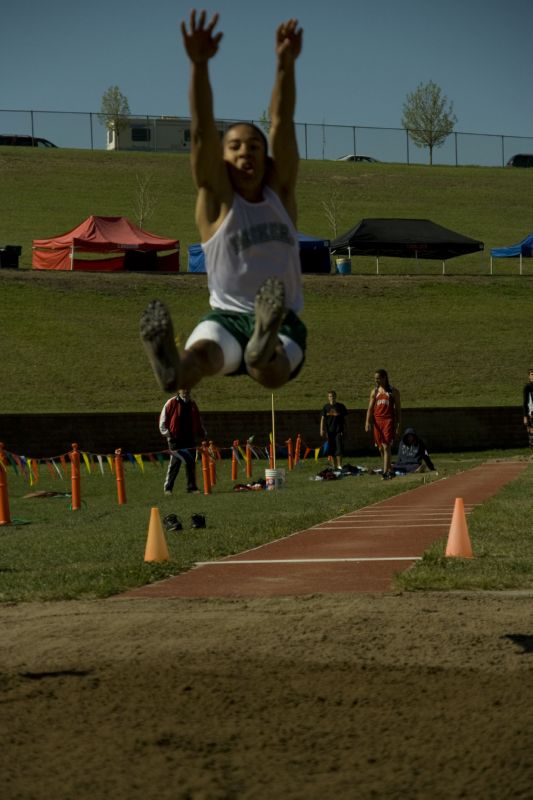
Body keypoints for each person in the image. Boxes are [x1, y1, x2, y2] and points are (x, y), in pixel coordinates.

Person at [140, 10, 306, 393]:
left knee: (270, 370)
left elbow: (283, 121)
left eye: (254, 146)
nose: (245, 152)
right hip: (228, 316)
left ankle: (260, 349)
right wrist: (198, 65)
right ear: (222, 158)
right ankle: (169, 367)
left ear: (267, 160)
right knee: (200, 359)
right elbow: (200, 131)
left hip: (279, 317)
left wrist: (285, 65)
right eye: (234, 147)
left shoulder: (280, 194)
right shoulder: (215, 205)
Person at [159, 388, 206, 495]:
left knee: (191, 463)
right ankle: (168, 488)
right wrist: (167, 434)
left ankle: (192, 487)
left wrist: (202, 433)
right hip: (176, 438)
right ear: (178, 391)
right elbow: (163, 418)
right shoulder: (171, 402)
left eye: (187, 389)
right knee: (175, 463)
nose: (185, 391)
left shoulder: (192, 404)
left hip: (189, 438)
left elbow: (198, 420)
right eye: (183, 389)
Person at [365, 368, 401, 480]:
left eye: (378, 378)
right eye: (375, 379)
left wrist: (398, 424)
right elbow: (370, 409)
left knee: (386, 446)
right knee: (380, 448)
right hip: (377, 422)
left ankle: (385, 472)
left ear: (384, 378)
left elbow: (398, 409)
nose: (376, 380)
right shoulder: (374, 392)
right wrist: (367, 422)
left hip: (388, 420)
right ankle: (389, 468)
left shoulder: (393, 391)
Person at [320, 390, 348, 469]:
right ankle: (334, 466)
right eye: (330, 396)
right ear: (328, 398)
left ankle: (339, 465)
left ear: (336, 397)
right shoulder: (326, 407)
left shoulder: (340, 406)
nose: (332, 398)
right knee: (331, 449)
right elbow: (322, 419)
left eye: (333, 396)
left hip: (339, 431)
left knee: (339, 449)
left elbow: (345, 419)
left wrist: (346, 429)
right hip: (330, 432)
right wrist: (321, 430)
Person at [522, 368, 533, 448]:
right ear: (529, 376)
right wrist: (525, 416)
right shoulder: (527, 387)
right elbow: (525, 402)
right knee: (531, 434)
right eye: (532, 374)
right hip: (531, 414)